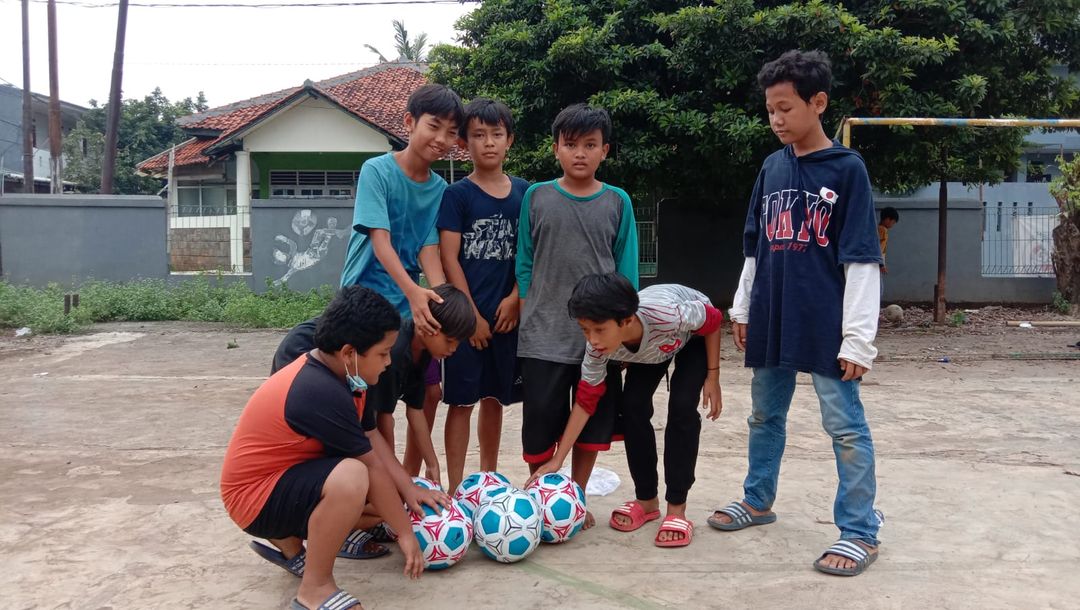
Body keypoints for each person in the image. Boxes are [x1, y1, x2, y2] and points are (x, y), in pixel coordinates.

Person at [709, 50, 883, 577]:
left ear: (818, 102)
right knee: (765, 415)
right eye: (770, 110)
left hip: (826, 324)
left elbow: (862, 259)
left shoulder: (848, 170)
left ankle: (860, 530)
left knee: (844, 426)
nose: (776, 119)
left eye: (785, 108)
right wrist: (743, 307)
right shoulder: (772, 167)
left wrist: (858, 339)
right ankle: (758, 500)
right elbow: (755, 247)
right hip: (772, 316)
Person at [222, 286, 448, 610]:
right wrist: (405, 533)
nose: (388, 362)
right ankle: (315, 590)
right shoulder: (319, 390)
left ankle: (291, 540)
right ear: (349, 353)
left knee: (381, 489)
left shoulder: (349, 379)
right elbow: (371, 465)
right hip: (252, 499)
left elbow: (372, 436)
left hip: (276, 484)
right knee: (353, 476)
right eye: (383, 353)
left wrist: (409, 489)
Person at [527, 273, 724, 548]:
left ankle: (677, 508)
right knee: (632, 407)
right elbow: (585, 401)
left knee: (681, 408)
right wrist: (558, 460)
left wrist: (713, 375)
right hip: (651, 349)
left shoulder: (669, 315)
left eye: (599, 330)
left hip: (690, 337)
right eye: (585, 330)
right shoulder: (597, 349)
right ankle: (647, 500)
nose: (593, 339)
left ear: (626, 320)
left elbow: (713, 319)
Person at [516, 103, 639, 529]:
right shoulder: (536, 196)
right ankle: (540, 496)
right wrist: (528, 311)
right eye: (571, 145)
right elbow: (525, 262)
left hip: (600, 339)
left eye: (590, 144)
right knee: (540, 422)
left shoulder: (618, 201)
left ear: (605, 150)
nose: (580, 153)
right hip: (543, 334)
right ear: (556, 149)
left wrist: (623, 335)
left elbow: (627, 271)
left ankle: (575, 498)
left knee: (592, 424)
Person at [339, 83, 464, 449]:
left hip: (407, 308)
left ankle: (410, 473)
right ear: (409, 122)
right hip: (363, 302)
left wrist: (444, 305)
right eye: (434, 125)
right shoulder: (377, 171)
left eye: (451, 132)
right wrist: (413, 292)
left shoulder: (439, 188)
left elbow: (428, 250)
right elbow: (381, 241)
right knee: (371, 405)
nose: (441, 139)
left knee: (424, 393)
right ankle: (378, 475)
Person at [272, 284, 477, 487]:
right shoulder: (394, 353)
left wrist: (432, 464)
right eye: (449, 340)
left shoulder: (422, 353)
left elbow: (415, 410)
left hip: (332, 361)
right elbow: (382, 419)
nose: (453, 349)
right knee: (337, 444)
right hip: (300, 350)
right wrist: (394, 477)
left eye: (457, 343)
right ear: (426, 325)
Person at [438, 98, 529, 493]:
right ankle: (457, 489)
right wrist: (469, 316)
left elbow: (530, 254)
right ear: (464, 143)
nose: (488, 142)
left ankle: (488, 482)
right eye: (478, 135)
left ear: (510, 140)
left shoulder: (526, 193)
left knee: (494, 399)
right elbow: (449, 258)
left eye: (496, 134)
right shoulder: (457, 195)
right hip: (466, 321)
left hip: (508, 318)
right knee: (461, 402)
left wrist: (516, 298)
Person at [878, 207, 899, 300]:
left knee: (880, 287)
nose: (892, 225)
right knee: (879, 288)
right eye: (893, 222)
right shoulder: (882, 230)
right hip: (877, 262)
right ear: (887, 219)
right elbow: (878, 248)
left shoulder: (881, 229)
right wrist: (881, 264)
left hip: (878, 262)